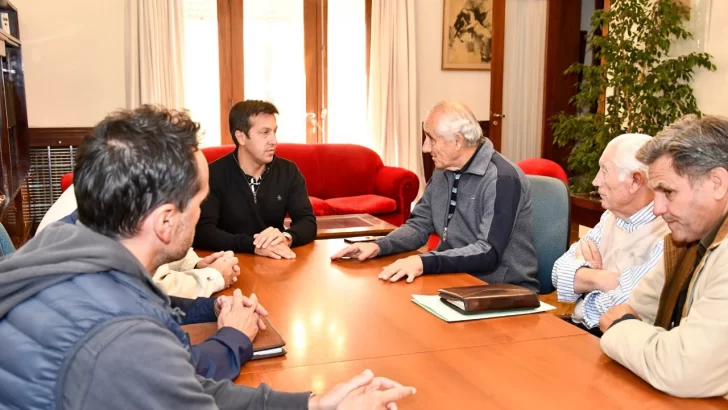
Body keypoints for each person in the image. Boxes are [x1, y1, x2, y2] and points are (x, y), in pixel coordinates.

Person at [0, 105, 414, 409]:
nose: (200, 212)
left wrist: (312, 405)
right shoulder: (120, 340)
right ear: (165, 220)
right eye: (197, 201)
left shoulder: (60, 246)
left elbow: (183, 386)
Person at [332, 101, 539, 292]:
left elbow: (488, 253)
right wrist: (379, 245)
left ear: (457, 141)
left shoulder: (502, 179)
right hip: (455, 278)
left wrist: (423, 262)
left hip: (502, 289)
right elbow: (419, 226)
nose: (425, 147)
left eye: (431, 139)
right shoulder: (444, 171)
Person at [599, 115, 728, 399]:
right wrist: (630, 330)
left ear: (717, 183)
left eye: (668, 192)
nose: (657, 208)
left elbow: (682, 369)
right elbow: (630, 312)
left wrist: (624, 330)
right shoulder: (687, 240)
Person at [551, 133, 669, 335]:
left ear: (635, 180)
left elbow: (621, 307)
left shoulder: (667, 233)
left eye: (604, 171)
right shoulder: (611, 216)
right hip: (583, 329)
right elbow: (558, 273)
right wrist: (603, 279)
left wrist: (582, 284)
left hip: (617, 340)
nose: (596, 181)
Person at [38, 185, 239, 299]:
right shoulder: (120, 201)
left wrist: (195, 264)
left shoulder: (118, 184)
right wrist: (215, 277)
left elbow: (158, 245)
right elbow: (154, 288)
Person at [194, 100, 316, 260]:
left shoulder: (288, 171)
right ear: (241, 137)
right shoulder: (213, 174)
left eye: (274, 131)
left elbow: (307, 222)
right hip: (230, 262)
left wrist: (286, 237)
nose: (274, 140)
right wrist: (253, 245)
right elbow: (203, 232)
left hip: (277, 260)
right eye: (265, 133)